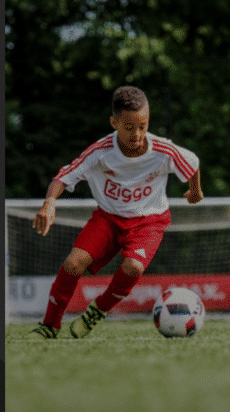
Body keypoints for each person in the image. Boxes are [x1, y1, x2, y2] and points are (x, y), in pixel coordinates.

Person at [29, 85, 203, 339]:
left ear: (148, 120)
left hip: (149, 221)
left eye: (142, 126)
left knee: (133, 266)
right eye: (129, 127)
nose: (137, 134)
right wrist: (49, 203)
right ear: (114, 122)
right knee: (73, 262)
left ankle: (96, 311)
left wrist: (195, 191)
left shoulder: (163, 150)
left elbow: (193, 164)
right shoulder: (99, 152)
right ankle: (49, 325)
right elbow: (63, 176)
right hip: (108, 218)